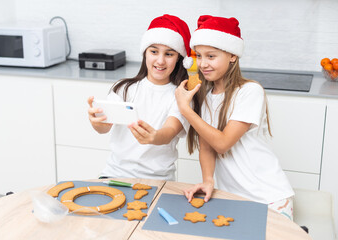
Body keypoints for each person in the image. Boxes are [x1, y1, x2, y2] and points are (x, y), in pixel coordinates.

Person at [175, 15, 295, 220]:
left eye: (211, 56)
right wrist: (208, 180)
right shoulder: (204, 95)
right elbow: (206, 146)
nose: (203, 64)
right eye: (199, 56)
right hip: (233, 199)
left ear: (232, 55)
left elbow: (222, 143)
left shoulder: (249, 91)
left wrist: (186, 110)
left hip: (268, 198)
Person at [87, 14, 193, 181]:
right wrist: (96, 121)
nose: (160, 60)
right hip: (115, 174)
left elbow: (170, 131)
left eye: (169, 54)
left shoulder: (180, 95)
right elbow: (104, 128)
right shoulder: (124, 88)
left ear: (179, 59)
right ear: (145, 53)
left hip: (159, 180)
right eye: (154, 51)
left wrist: (155, 137)